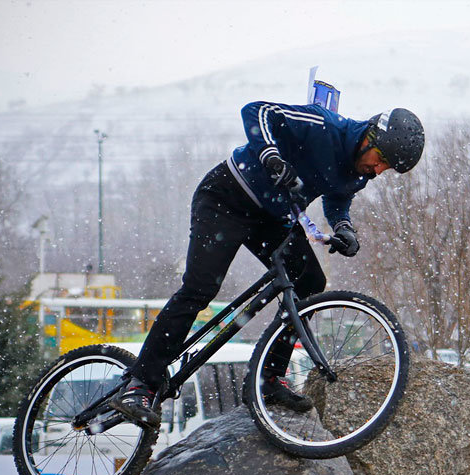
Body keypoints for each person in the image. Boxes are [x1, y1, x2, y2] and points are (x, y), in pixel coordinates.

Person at [111, 101, 425, 428]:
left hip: (272, 218)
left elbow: (339, 196)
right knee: (200, 289)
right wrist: (270, 155)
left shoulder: (360, 171)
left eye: (387, 169)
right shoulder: (323, 126)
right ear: (369, 138)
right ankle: (140, 384)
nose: (378, 171)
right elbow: (256, 111)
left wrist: (344, 226)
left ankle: (268, 380)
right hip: (227, 199)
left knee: (308, 282)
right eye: (381, 161)